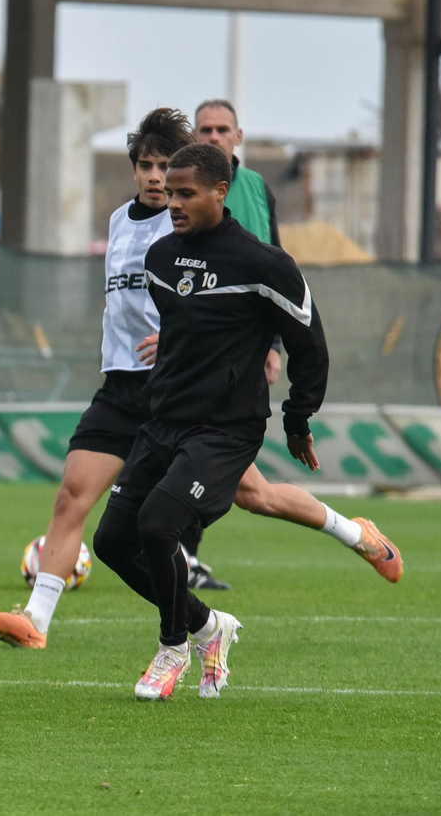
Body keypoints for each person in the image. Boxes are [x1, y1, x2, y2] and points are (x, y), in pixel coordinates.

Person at [0, 109, 399, 651]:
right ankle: (36, 619)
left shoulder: (191, 220)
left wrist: (249, 349)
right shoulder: (119, 222)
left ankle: (355, 533)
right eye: (146, 166)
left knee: (258, 497)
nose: (157, 180)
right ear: (133, 171)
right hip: (122, 388)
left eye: (165, 168)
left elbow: (250, 291)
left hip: (187, 396)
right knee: (71, 497)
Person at [91, 142, 329, 701]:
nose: (172, 202)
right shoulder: (162, 258)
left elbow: (310, 345)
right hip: (164, 421)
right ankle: (207, 625)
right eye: (170, 192)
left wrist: (298, 419)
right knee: (110, 541)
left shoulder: (265, 264)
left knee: (158, 526)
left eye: (185, 193)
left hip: (226, 431)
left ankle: (173, 646)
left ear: (221, 193)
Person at [180, 98, 283, 588]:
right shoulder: (180, 195)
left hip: (246, 350)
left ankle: (184, 552)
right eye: (205, 128)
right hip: (193, 352)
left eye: (223, 128)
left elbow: (276, 265)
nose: (214, 135)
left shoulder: (258, 188)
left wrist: (274, 345)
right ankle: (182, 552)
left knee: (237, 477)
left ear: (238, 137)